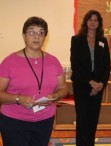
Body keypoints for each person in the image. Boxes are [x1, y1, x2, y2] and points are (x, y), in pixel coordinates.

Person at [0, 16, 68, 146]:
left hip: (45, 120)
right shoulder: (9, 61)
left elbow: (63, 88)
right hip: (14, 122)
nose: (36, 36)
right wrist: (18, 99)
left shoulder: (54, 61)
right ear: (24, 36)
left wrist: (56, 95)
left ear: (45, 37)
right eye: (31, 32)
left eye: (41, 32)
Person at [70, 10, 111, 146]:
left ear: (99, 23)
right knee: (82, 119)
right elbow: (76, 65)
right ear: (86, 22)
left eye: (96, 20)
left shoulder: (103, 41)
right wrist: (90, 82)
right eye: (90, 19)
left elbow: (107, 66)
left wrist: (100, 84)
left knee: (93, 119)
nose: (93, 22)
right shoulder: (77, 40)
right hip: (81, 85)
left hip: (98, 87)